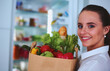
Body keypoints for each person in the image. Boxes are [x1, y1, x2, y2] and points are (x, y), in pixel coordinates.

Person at [77, 5, 110, 71]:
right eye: (80, 26)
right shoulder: (99, 58)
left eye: (91, 26)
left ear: (106, 30)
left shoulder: (94, 65)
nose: (82, 32)